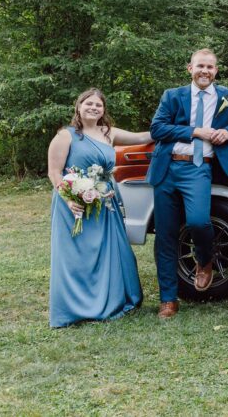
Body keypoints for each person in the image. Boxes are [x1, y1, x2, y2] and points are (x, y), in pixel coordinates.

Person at [147, 49, 228, 319]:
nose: (205, 71)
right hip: (168, 167)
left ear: (216, 71)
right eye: (200, 66)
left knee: (198, 222)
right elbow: (157, 128)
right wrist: (195, 131)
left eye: (210, 67)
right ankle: (168, 300)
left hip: (198, 168)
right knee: (166, 236)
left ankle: (204, 261)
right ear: (189, 68)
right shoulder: (173, 96)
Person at [47, 88, 151, 328]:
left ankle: (111, 299)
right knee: (77, 257)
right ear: (79, 107)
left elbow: (142, 137)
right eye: (89, 104)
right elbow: (54, 172)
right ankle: (75, 307)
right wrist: (69, 199)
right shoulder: (66, 135)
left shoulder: (108, 133)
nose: (94, 108)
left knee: (109, 252)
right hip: (73, 205)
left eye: (98, 105)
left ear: (103, 110)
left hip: (104, 204)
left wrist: (173, 129)